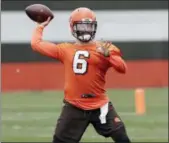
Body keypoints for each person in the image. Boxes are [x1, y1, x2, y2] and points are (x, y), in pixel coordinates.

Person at [31, 7, 131, 143]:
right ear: (73, 28)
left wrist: (108, 56)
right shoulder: (65, 50)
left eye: (88, 26)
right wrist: (40, 26)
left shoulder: (105, 49)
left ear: (94, 27)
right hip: (74, 106)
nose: (85, 30)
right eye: (82, 26)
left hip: (100, 105)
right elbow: (36, 44)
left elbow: (122, 68)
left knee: (121, 137)